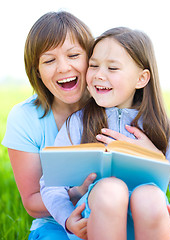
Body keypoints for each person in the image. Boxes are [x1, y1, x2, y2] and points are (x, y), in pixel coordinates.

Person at [40, 27, 170, 240]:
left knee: (149, 196)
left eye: (112, 68)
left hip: (149, 219)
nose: (99, 75)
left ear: (141, 79)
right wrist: (67, 218)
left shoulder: (162, 127)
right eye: (93, 66)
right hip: (97, 222)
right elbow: (52, 182)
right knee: (110, 190)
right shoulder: (77, 123)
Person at [1, 11, 97, 240]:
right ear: (37, 71)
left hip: (113, 216)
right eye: (49, 60)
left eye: (73, 55)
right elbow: (33, 202)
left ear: (91, 58)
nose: (63, 68)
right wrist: (76, 193)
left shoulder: (112, 106)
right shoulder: (25, 118)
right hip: (54, 226)